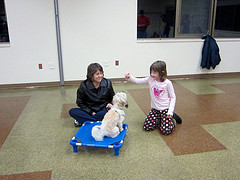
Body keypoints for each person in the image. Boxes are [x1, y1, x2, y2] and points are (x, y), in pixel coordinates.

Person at [125, 60, 182, 135]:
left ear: (162, 72)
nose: (152, 74)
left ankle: (172, 118)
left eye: (154, 73)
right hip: (155, 109)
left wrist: (170, 111)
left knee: (166, 131)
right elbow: (139, 81)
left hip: (165, 109)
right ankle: (160, 120)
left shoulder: (167, 83)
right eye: (151, 72)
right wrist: (130, 78)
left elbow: (173, 97)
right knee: (147, 127)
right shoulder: (150, 79)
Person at [69, 63, 115, 127]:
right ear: (91, 75)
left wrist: (110, 103)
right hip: (90, 111)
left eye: (101, 73)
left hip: (103, 110)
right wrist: (91, 112)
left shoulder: (108, 83)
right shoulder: (83, 86)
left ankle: (86, 121)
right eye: (97, 74)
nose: (100, 76)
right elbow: (80, 102)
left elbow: (113, 98)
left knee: (113, 111)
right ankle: (98, 121)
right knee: (72, 111)